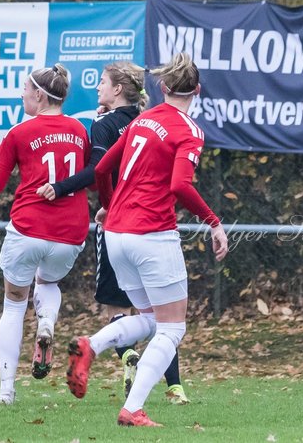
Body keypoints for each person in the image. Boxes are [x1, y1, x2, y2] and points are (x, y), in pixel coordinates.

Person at [62, 53, 228, 428]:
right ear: (197, 90)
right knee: (173, 328)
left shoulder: (143, 120)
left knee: (151, 319)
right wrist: (214, 222)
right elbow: (180, 185)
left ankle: (92, 345)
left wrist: (108, 206)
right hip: (151, 234)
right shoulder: (189, 130)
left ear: (164, 88)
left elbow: (101, 168)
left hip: (116, 233)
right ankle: (132, 408)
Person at [42, 61, 189, 403]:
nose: (98, 88)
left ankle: (124, 356)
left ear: (118, 89)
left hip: (120, 226)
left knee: (121, 308)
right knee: (164, 314)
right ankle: (174, 386)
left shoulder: (106, 125)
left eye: (103, 82)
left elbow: (98, 171)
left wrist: (67, 189)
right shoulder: (148, 121)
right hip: (154, 224)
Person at [0, 63, 90, 406]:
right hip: (72, 230)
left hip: (29, 227)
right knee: (48, 284)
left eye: (25, 90)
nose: (21, 94)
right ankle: (47, 322)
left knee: (13, 305)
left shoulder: (20, 132)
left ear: (40, 96)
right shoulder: (79, 129)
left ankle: (6, 392)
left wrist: (1, 151)